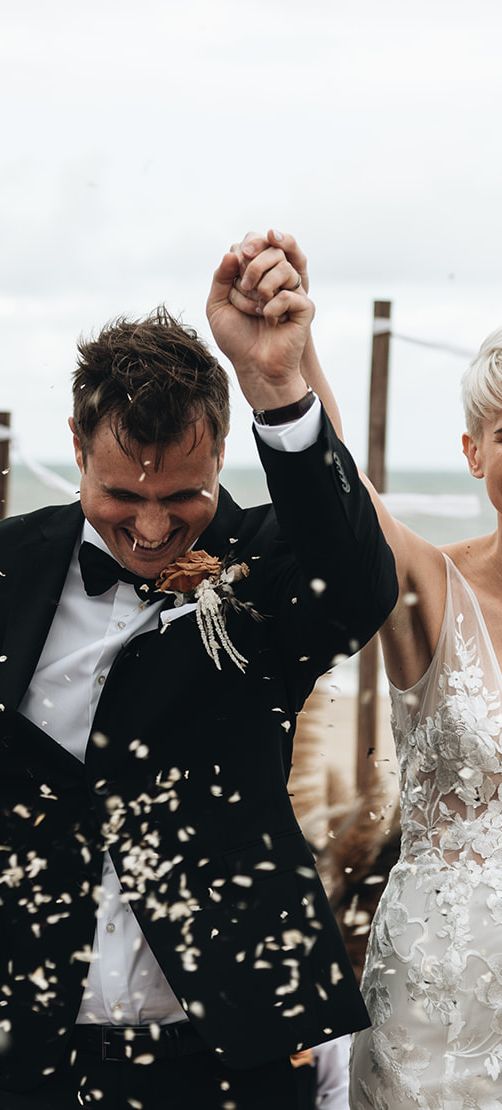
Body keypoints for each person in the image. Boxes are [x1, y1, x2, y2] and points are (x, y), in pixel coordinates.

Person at [0, 240, 398, 1109]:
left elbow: (360, 583)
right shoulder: (9, 570)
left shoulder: (267, 567)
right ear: (75, 444)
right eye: (121, 497)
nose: (149, 531)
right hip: (28, 1060)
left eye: (179, 497)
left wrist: (276, 388)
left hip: (229, 1060)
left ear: (220, 447)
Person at [233, 229, 502, 1108]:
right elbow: (339, 501)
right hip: (441, 1015)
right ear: (474, 454)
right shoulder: (436, 588)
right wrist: (290, 358)